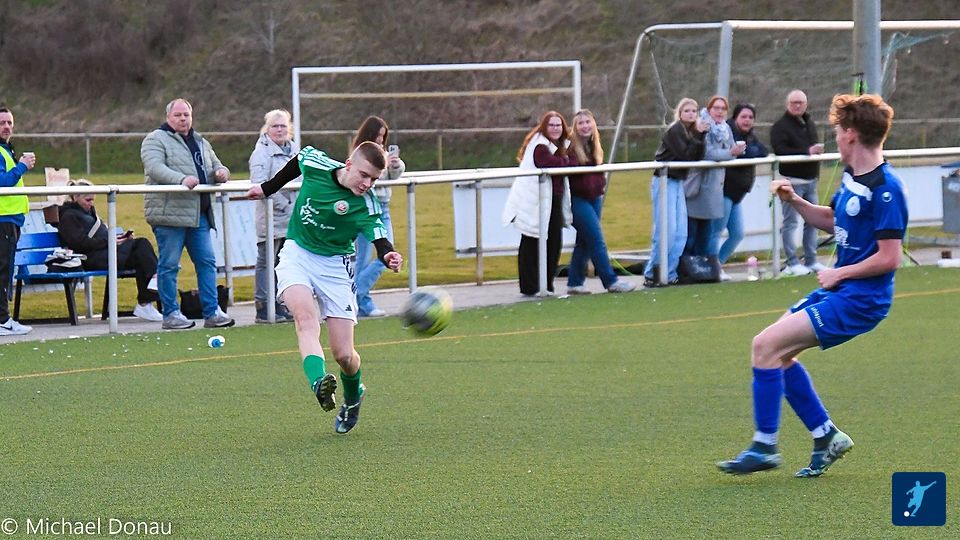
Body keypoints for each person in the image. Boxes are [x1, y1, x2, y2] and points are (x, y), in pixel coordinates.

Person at [718, 93, 905, 477]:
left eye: (837, 132)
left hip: (862, 300)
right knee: (778, 353)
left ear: (851, 134)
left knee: (765, 345)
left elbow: (890, 258)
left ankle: (765, 445)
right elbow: (833, 219)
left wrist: (840, 274)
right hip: (842, 292)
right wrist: (795, 201)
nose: (835, 138)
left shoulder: (887, 187)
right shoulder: (853, 177)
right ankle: (826, 436)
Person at [244, 142, 402, 435]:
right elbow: (299, 158)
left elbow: (379, 237)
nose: (367, 184)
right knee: (305, 319)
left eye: (374, 179)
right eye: (364, 175)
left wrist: (388, 254)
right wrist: (267, 188)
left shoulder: (366, 204)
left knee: (344, 355)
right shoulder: (317, 165)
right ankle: (319, 382)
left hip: (335, 267)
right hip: (297, 253)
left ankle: (353, 396)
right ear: (348, 164)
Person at [141, 98, 234, 330]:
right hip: (169, 215)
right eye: (178, 115)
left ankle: (212, 312)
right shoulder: (154, 139)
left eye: (186, 115)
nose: (183, 119)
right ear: (168, 117)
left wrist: (222, 173)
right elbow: (155, 168)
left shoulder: (200, 141)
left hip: (198, 214)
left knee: (207, 262)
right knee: (169, 265)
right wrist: (181, 179)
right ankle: (171, 314)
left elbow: (216, 165)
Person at [56, 179, 163, 322]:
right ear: (75, 197)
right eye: (88, 200)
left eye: (93, 200)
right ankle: (151, 289)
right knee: (141, 248)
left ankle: (148, 296)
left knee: (141, 249)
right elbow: (79, 243)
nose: (91, 204)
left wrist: (119, 238)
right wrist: (110, 241)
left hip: (104, 253)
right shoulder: (69, 216)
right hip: (91, 258)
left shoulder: (88, 214)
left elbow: (98, 237)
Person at [502, 111, 573, 296]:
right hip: (535, 202)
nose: (555, 128)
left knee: (554, 243)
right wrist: (565, 161)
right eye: (552, 125)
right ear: (544, 127)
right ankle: (530, 286)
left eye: (558, 125)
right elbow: (550, 164)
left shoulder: (562, 146)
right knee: (531, 242)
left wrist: (565, 160)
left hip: (553, 201)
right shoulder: (540, 146)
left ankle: (546, 284)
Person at [564, 109, 634, 294]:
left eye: (588, 122)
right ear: (575, 127)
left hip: (594, 197)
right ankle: (611, 281)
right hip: (578, 199)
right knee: (596, 239)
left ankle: (575, 282)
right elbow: (567, 167)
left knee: (584, 241)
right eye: (581, 123)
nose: (585, 126)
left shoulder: (594, 145)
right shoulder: (570, 147)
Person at [643, 98, 708, 287]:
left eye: (694, 111)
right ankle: (653, 272)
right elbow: (684, 155)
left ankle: (669, 272)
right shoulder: (675, 131)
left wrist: (700, 135)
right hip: (664, 180)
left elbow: (697, 156)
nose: (691, 114)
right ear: (679, 113)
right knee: (666, 230)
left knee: (681, 233)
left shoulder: (692, 132)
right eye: (687, 111)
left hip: (678, 181)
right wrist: (698, 135)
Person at [350, 116, 405, 317]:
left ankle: (356, 295)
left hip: (383, 208)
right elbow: (366, 177)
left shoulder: (383, 152)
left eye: (383, 136)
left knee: (388, 253)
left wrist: (395, 165)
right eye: (378, 135)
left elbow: (394, 176)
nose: (381, 140)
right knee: (363, 258)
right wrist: (383, 166)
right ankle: (361, 301)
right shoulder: (360, 153)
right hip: (365, 209)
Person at [248, 108, 299, 323]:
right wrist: (285, 205)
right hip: (271, 216)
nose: (279, 130)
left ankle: (280, 304)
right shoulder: (261, 153)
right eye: (275, 126)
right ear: (267, 129)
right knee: (266, 261)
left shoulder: (295, 150)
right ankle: (263, 306)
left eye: (283, 126)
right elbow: (260, 184)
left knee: (284, 262)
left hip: (292, 218)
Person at [770, 89, 826, 276]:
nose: (797, 106)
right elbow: (780, 150)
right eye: (794, 102)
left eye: (801, 102)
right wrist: (806, 151)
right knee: (791, 222)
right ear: (787, 104)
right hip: (792, 181)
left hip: (810, 181)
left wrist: (814, 152)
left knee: (813, 221)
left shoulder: (809, 123)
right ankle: (792, 262)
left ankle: (811, 260)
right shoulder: (780, 126)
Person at [685, 95, 744, 259]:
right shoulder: (703, 126)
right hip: (700, 186)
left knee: (707, 233)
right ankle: (689, 266)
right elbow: (708, 153)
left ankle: (707, 265)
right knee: (693, 235)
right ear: (709, 109)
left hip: (716, 188)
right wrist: (730, 153)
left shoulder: (725, 128)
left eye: (723, 108)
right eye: (716, 108)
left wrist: (734, 152)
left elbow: (730, 151)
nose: (720, 112)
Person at [717, 103, 769, 277]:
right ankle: (710, 268)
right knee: (716, 232)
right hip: (724, 190)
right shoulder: (727, 132)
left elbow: (762, 151)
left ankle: (717, 264)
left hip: (738, 194)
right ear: (735, 118)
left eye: (750, 117)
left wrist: (747, 151)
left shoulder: (751, 136)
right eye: (743, 117)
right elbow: (738, 153)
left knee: (737, 234)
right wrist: (744, 151)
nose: (747, 120)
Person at [0, 107, 35, 336]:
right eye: (2, 123)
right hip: (3, 220)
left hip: (11, 220)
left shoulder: (6, 149)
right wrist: (22, 166)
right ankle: (3, 320)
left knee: (5, 270)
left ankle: (4, 319)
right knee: (3, 271)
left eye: (9, 123)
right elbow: (3, 181)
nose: (6, 127)